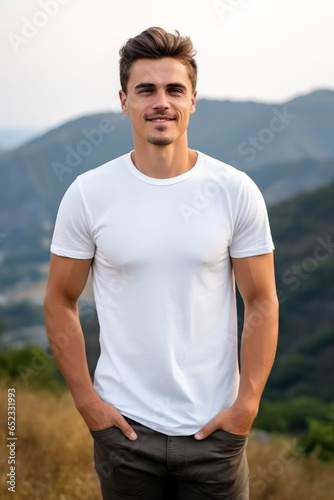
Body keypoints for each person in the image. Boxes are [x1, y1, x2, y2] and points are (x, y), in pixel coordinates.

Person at [44, 27, 279, 500]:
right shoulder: (89, 193)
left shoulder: (235, 191)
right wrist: (87, 401)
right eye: (145, 89)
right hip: (124, 434)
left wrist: (246, 406)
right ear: (124, 99)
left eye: (174, 89)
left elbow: (262, 300)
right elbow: (58, 299)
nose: (161, 102)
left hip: (215, 434)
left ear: (193, 99)